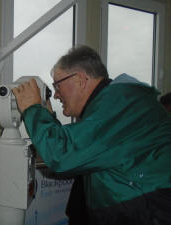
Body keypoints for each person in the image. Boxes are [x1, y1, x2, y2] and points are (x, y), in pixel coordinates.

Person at [12, 45, 171, 225]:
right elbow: (78, 155)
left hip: (149, 211)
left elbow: (61, 156)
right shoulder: (115, 106)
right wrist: (48, 119)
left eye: (57, 85)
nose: (56, 95)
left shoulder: (119, 106)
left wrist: (32, 110)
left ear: (80, 79)